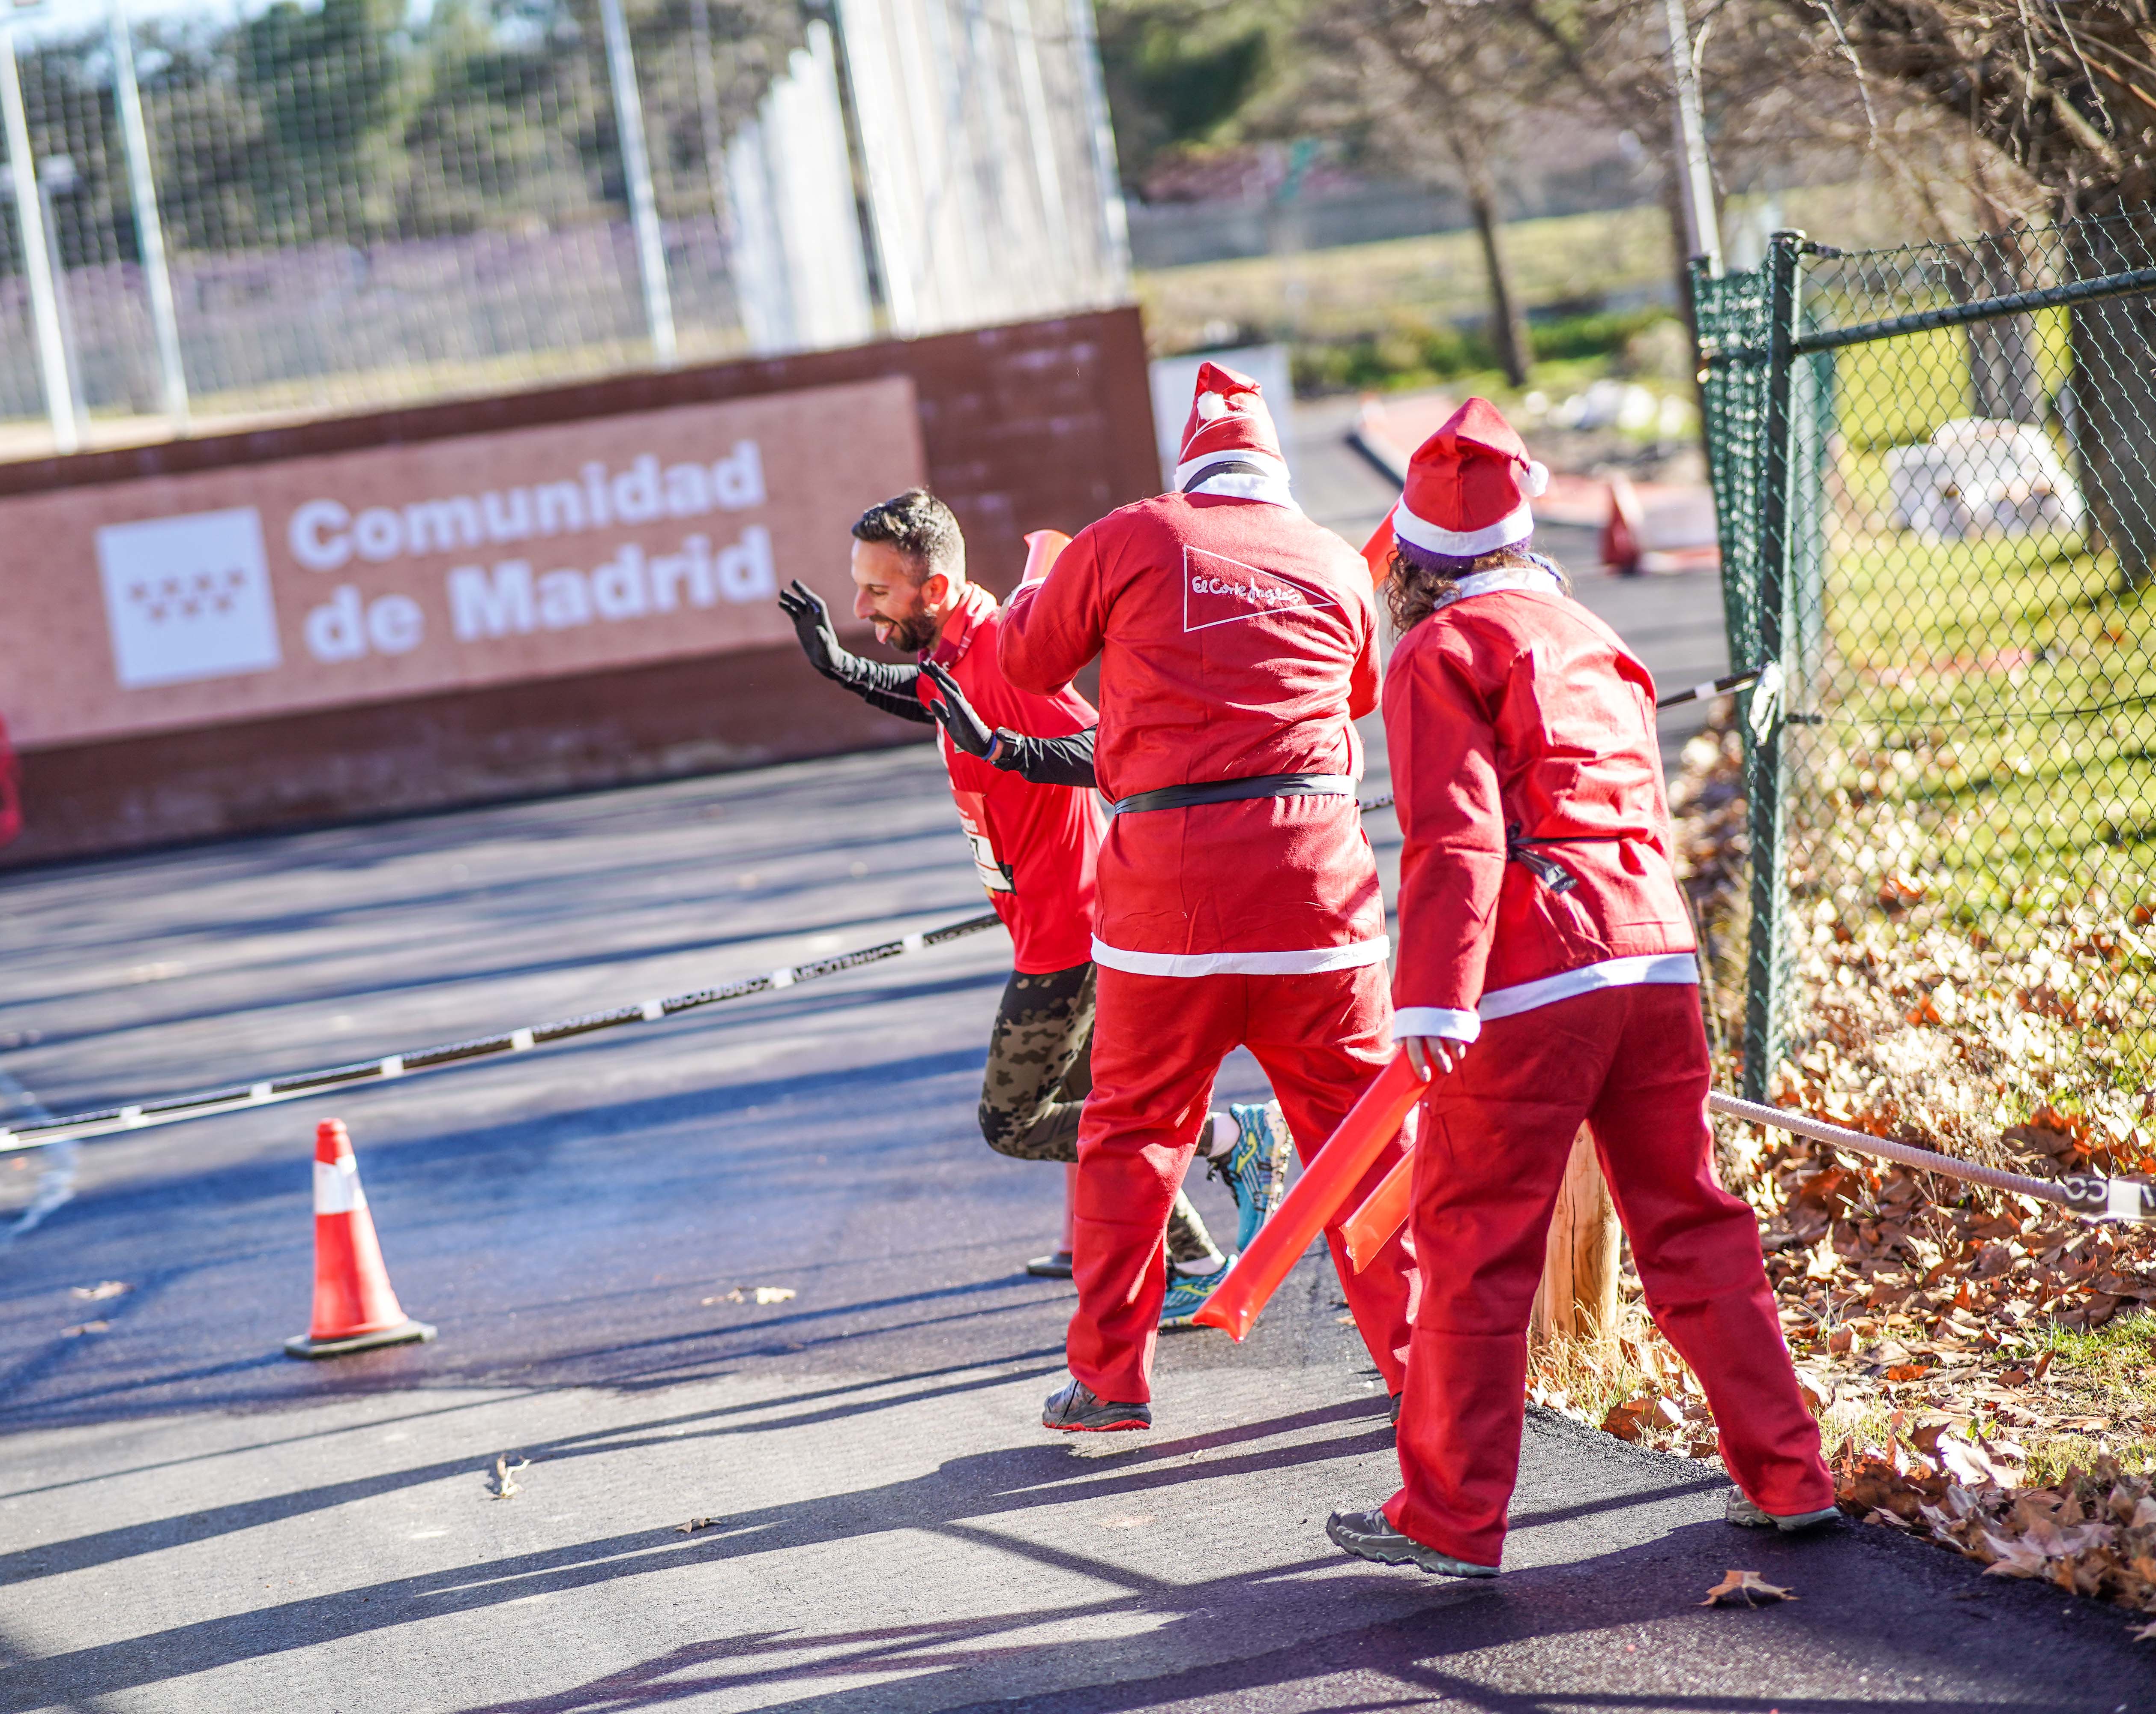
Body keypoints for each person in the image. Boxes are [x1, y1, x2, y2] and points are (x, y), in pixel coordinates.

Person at [1326, 399, 1836, 1579]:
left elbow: (1453, 842)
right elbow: (1643, 815)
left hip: (1528, 973)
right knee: (1692, 1221)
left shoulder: (1437, 652)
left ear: (1410, 557)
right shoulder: (1597, 637)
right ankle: (1788, 1471)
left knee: (1474, 1242)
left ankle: (1451, 1518)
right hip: (1653, 954)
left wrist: (1434, 999)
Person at [995, 364, 1414, 1434]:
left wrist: (1045, 581)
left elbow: (1029, 655)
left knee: (1132, 1131)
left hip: (1165, 899)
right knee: (1359, 1140)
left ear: (1190, 465)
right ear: (1274, 474)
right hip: (1317, 896)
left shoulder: (1131, 534)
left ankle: (1108, 1381)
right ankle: (1425, 1365)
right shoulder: (1331, 557)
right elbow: (1357, 692)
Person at [777, 488, 1292, 1324]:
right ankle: (1195, 1257)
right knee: (1102, 1123)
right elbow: (934, 696)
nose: (861, 606)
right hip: (1064, 928)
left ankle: (1232, 1138)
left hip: (1074, 937)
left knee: (1014, 1120)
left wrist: (1007, 750)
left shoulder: (1007, 655)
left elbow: (1111, 745)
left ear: (935, 590)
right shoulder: (954, 645)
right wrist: (845, 668)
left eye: (875, 591)